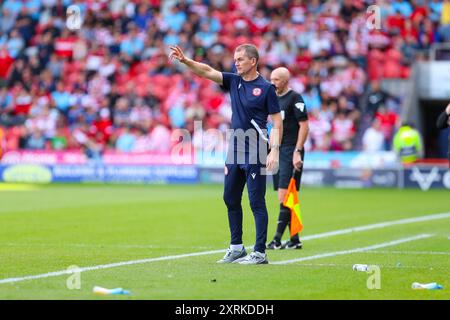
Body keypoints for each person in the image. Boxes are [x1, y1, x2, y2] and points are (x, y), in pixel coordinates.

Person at [169, 44, 283, 264]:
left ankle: (259, 252)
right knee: (230, 197)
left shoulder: (266, 88)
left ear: (253, 61)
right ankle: (237, 247)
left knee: (256, 202)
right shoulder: (234, 81)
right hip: (235, 147)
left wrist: (274, 151)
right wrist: (185, 61)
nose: (236, 62)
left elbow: (277, 121)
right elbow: (207, 71)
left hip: (257, 148)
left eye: (240, 59)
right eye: (235, 59)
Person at [266, 67, 309, 250]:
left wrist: (297, 151)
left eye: (276, 79)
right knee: (284, 196)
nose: (272, 82)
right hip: (278, 150)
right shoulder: (273, 99)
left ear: (285, 80)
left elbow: (304, 126)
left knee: (285, 195)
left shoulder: (295, 98)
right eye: (271, 79)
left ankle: (276, 239)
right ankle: (294, 239)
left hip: (291, 151)